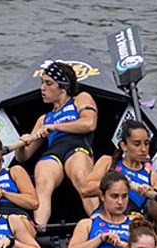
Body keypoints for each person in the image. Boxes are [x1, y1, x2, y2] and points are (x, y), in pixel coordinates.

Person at [15, 60, 98, 228]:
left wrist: (55, 127)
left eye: (48, 83)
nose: (42, 88)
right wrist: (22, 145)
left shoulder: (80, 99)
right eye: (42, 83)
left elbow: (89, 124)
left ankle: (99, 223)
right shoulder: (43, 119)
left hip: (77, 148)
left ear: (63, 86)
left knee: (81, 177)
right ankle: (39, 228)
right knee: (42, 179)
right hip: (53, 154)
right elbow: (24, 157)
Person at [83, 119, 157, 221]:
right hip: (105, 216)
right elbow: (86, 190)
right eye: (137, 144)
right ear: (123, 146)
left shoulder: (154, 177)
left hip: (133, 220)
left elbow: (156, 215)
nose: (143, 149)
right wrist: (117, 182)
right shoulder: (107, 162)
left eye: (146, 143)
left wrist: (151, 196)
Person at [66, 170, 134, 248]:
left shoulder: (135, 223)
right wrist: (100, 239)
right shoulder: (87, 224)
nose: (120, 202)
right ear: (102, 196)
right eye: (114, 196)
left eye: (124, 196)